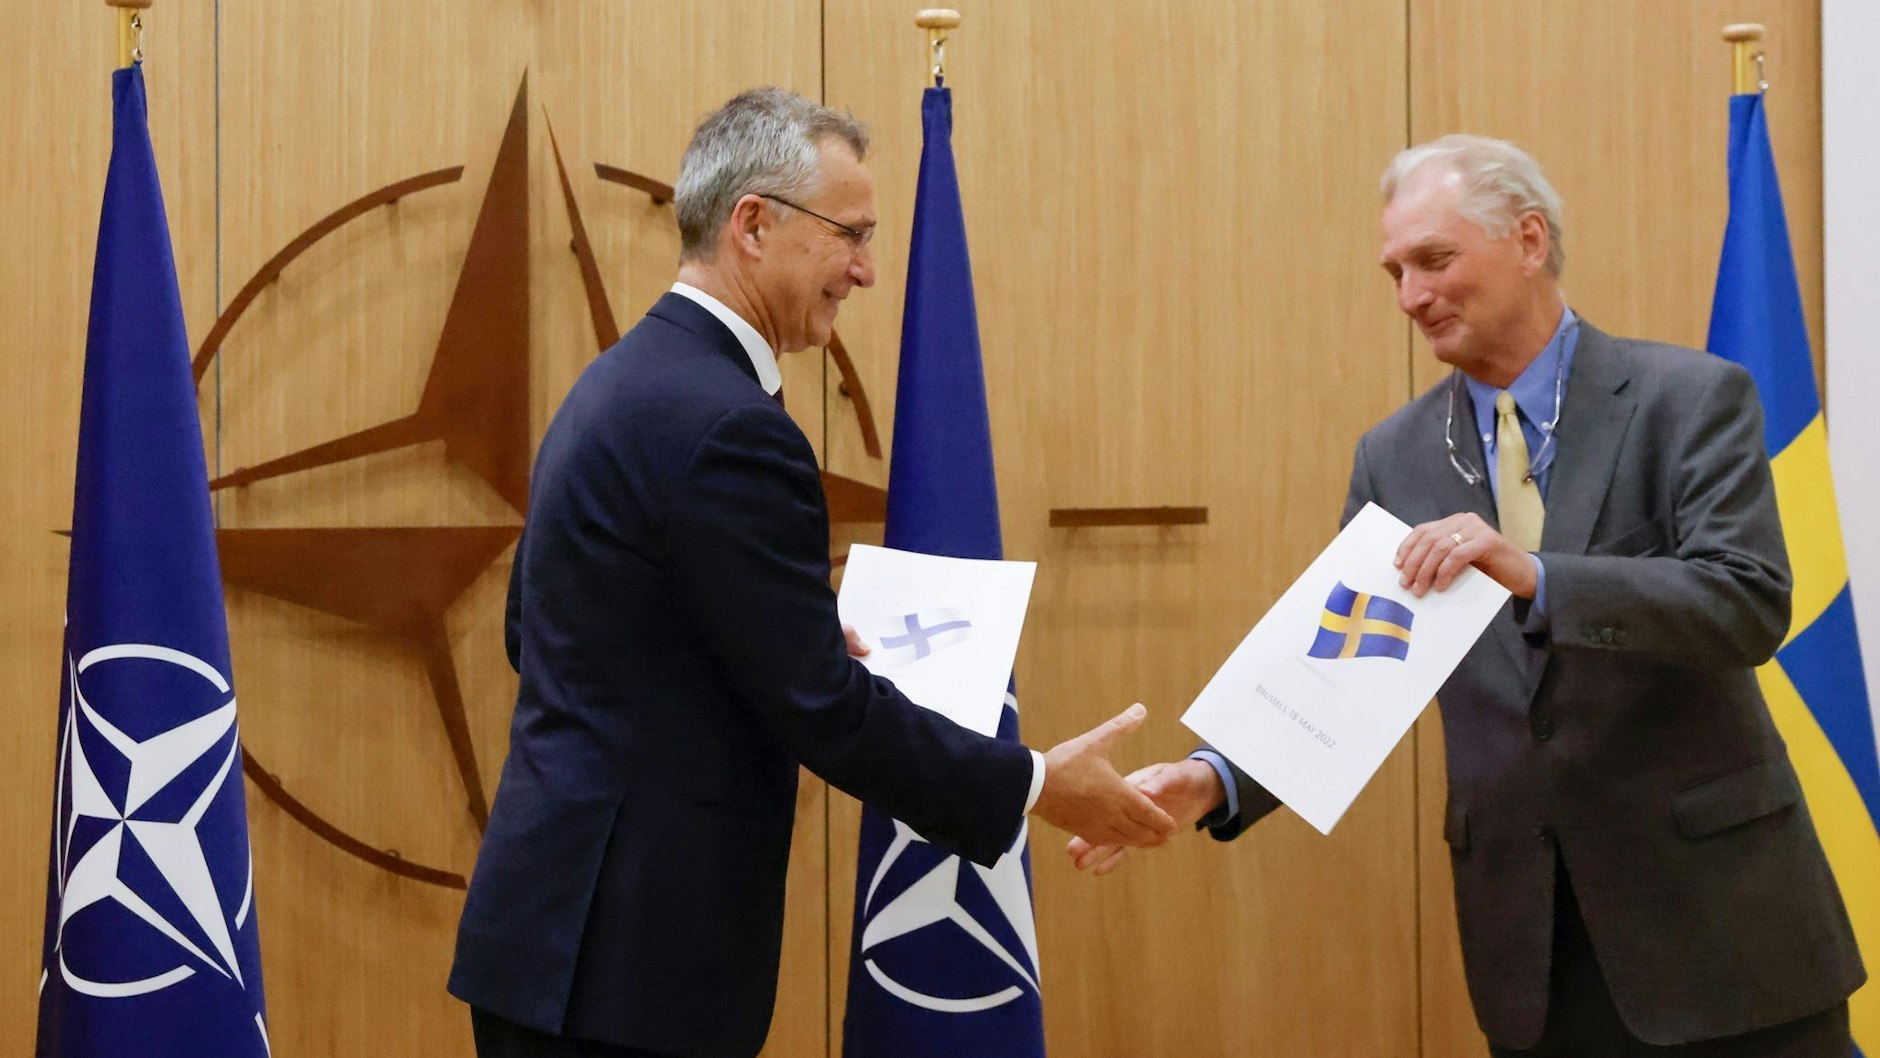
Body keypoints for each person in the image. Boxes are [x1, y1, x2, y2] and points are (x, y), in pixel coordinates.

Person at [1072, 134, 1863, 1057]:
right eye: (1395, 272)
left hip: (1724, 934)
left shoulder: (1688, 399)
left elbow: (1747, 602)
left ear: (1529, 241)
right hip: (1531, 949)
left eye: (1434, 260)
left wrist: (1537, 574)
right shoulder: (1394, 456)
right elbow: (1351, 674)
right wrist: (1212, 778)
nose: (1411, 296)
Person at [449, 87, 1176, 1058]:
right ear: (753, 223)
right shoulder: (729, 426)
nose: (867, 271)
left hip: (556, 941)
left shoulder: (615, 383)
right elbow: (821, 708)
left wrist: (756, 638)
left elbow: (539, 631)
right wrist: (1038, 781)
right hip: (630, 962)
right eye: (851, 235)